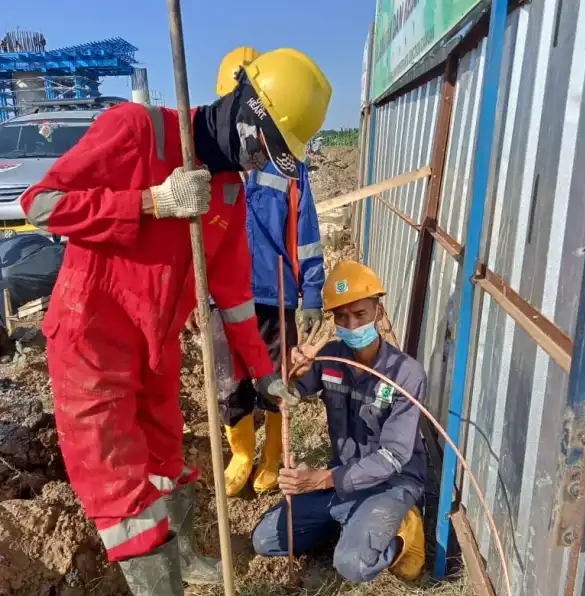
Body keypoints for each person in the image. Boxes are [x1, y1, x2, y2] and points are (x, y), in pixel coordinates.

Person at [20, 48, 331, 596]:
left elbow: (234, 297)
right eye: (265, 146)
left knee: (167, 461)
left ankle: (184, 558)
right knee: (121, 489)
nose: (259, 162)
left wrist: (265, 374)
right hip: (93, 342)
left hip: (157, 346)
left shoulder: (230, 190)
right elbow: (42, 204)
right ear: (245, 108)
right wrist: (149, 202)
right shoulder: (138, 132)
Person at [252, 260, 427, 583]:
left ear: (379, 311)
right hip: (342, 479)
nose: (351, 324)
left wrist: (321, 480)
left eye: (360, 314)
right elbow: (283, 399)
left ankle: (403, 526)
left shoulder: (406, 373)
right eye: (342, 317)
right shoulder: (330, 358)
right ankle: (352, 523)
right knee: (265, 539)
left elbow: (394, 455)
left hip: (390, 483)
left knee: (353, 566)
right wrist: (288, 375)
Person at [208, 47, 325, 497]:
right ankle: (241, 452)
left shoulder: (291, 166)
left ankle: (273, 455)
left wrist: (312, 292)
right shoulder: (211, 158)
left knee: (277, 377)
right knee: (229, 379)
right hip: (225, 294)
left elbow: (306, 232)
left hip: (276, 294)